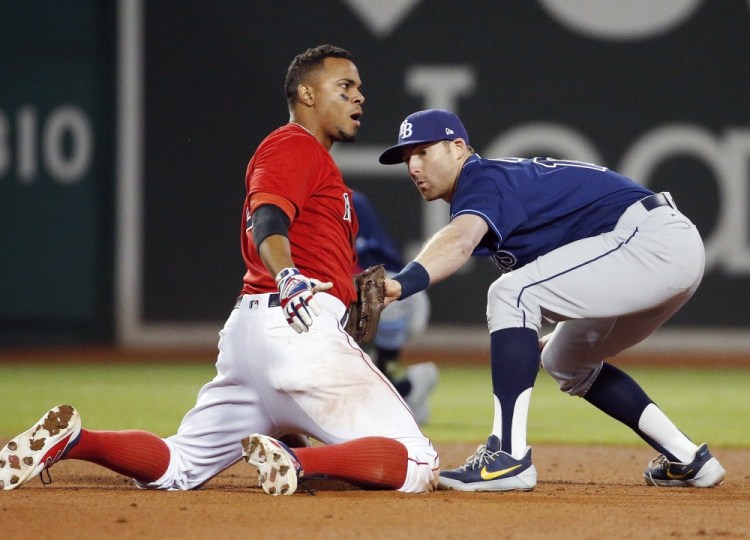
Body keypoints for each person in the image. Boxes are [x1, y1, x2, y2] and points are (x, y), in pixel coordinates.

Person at [0, 45, 439, 496]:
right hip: (298, 326)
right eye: (345, 86)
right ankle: (296, 461)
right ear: (306, 94)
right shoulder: (292, 144)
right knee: (419, 460)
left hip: (252, 334)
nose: (359, 97)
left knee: (180, 466)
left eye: (360, 89)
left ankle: (76, 439)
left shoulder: (318, 165)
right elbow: (267, 216)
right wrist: (288, 275)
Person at [378, 108, 725, 491]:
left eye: (423, 151)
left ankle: (507, 457)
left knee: (511, 293)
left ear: (458, 148)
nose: (413, 166)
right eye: (407, 158)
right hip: (658, 250)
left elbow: (458, 242)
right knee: (565, 359)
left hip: (651, 241)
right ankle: (688, 457)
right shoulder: (497, 185)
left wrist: (400, 284)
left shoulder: (482, 177)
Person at [353, 190, 438, 425]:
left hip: (398, 299)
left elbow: (379, 271)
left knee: (377, 294)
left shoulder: (349, 201)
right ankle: (405, 390)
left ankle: (388, 379)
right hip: (340, 303)